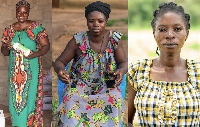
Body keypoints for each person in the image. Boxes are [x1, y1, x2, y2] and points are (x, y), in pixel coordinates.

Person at [54, 1, 128, 126]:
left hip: (106, 85)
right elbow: (60, 61)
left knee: (115, 99)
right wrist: (60, 70)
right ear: (87, 22)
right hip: (79, 86)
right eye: (91, 21)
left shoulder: (114, 40)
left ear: (106, 21)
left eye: (100, 21)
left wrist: (121, 70)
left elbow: (123, 62)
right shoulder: (78, 40)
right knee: (70, 98)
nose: (96, 24)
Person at [128, 2, 200, 127]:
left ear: (186, 34)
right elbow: (124, 120)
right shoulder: (138, 71)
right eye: (162, 29)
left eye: (177, 29)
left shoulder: (198, 72)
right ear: (154, 33)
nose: (170, 35)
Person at [1, 0, 50, 126]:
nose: (21, 15)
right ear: (16, 12)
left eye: (25, 13)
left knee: (30, 97)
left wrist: (35, 54)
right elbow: (5, 52)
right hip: (15, 72)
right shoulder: (9, 30)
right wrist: (6, 46)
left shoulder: (36, 28)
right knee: (15, 99)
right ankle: (17, 123)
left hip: (31, 70)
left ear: (28, 13)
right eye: (19, 12)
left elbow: (46, 46)